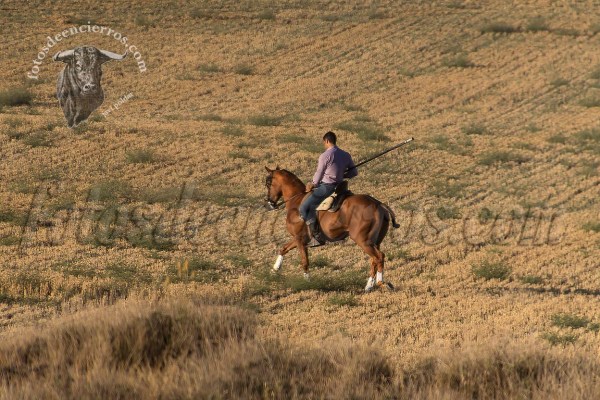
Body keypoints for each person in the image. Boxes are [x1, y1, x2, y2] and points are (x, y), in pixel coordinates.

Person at [299, 131, 358, 246]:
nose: (324, 145)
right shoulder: (346, 155)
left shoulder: (325, 155)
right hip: (341, 187)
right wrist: (342, 174)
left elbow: (319, 172)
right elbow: (354, 172)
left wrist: (313, 184)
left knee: (304, 208)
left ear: (326, 141)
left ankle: (316, 236)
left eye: (324, 143)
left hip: (327, 188)